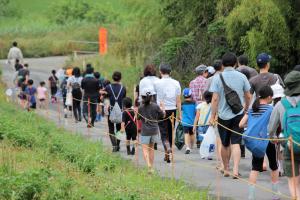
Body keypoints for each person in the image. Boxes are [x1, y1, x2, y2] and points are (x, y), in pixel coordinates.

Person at [209, 52, 252, 178]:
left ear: (222, 64)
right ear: (235, 63)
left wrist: (213, 115)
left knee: (224, 143)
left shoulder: (217, 78)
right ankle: (235, 170)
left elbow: (215, 99)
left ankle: (226, 168)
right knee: (236, 143)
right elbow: (248, 95)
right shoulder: (242, 76)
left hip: (222, 116)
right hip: (238, 114)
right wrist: (246, 108)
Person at [239, 86, 279, 200]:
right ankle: (275, 195)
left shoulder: (252, 109)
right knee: (274, 166)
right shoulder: (271, 109)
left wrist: (251, 125)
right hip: (267, 140)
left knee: (255, 167)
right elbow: (274, 125)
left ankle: (251, 197)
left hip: (254, 141)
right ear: (270, 97)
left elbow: (241, 125)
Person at [268, 67, 300, 200]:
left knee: (293, 180)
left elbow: (271, 128)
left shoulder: (281, 104)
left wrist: (273, 138)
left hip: (289, 146)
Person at [154, 63, 181, 163]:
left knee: (164, 133)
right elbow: (178, 100)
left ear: (160, 71)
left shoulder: (157, 83)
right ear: (170, 72)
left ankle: (167, 150)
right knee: (170, 132)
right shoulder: (176, 83)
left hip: (161, 110)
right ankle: (168, 154)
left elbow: (155, 97)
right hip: (173, 110)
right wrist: (180, 114)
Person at [138, 87, 165, 174]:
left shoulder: (140, 107)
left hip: (145, 131)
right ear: (152, 97)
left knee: (145, 149)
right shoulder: (155, 106)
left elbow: (138, 118)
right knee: (151, 148)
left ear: (142, 97)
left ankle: (148, 165)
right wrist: (163, 108)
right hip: (154, 130)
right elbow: (162, 115)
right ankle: (151, 167)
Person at [104, 71, 126, 152]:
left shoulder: (108, 87)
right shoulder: (123, 88)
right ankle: (118, 144)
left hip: (111, 109)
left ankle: (114, 145)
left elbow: (104, 96)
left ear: (112, 77)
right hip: (120, 110)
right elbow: (123, 99)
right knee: (119, 128)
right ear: (120, 78)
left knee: (111, 128)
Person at [181, 88, 196, 154]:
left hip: (185, 122)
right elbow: (196, 111)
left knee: (186, 133)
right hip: (192, 122)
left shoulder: (183, 104)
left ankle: (187, 147)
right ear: (191, 95)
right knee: (192, 134)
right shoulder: (194, 103)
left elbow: (181, 112)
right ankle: (191, 146)